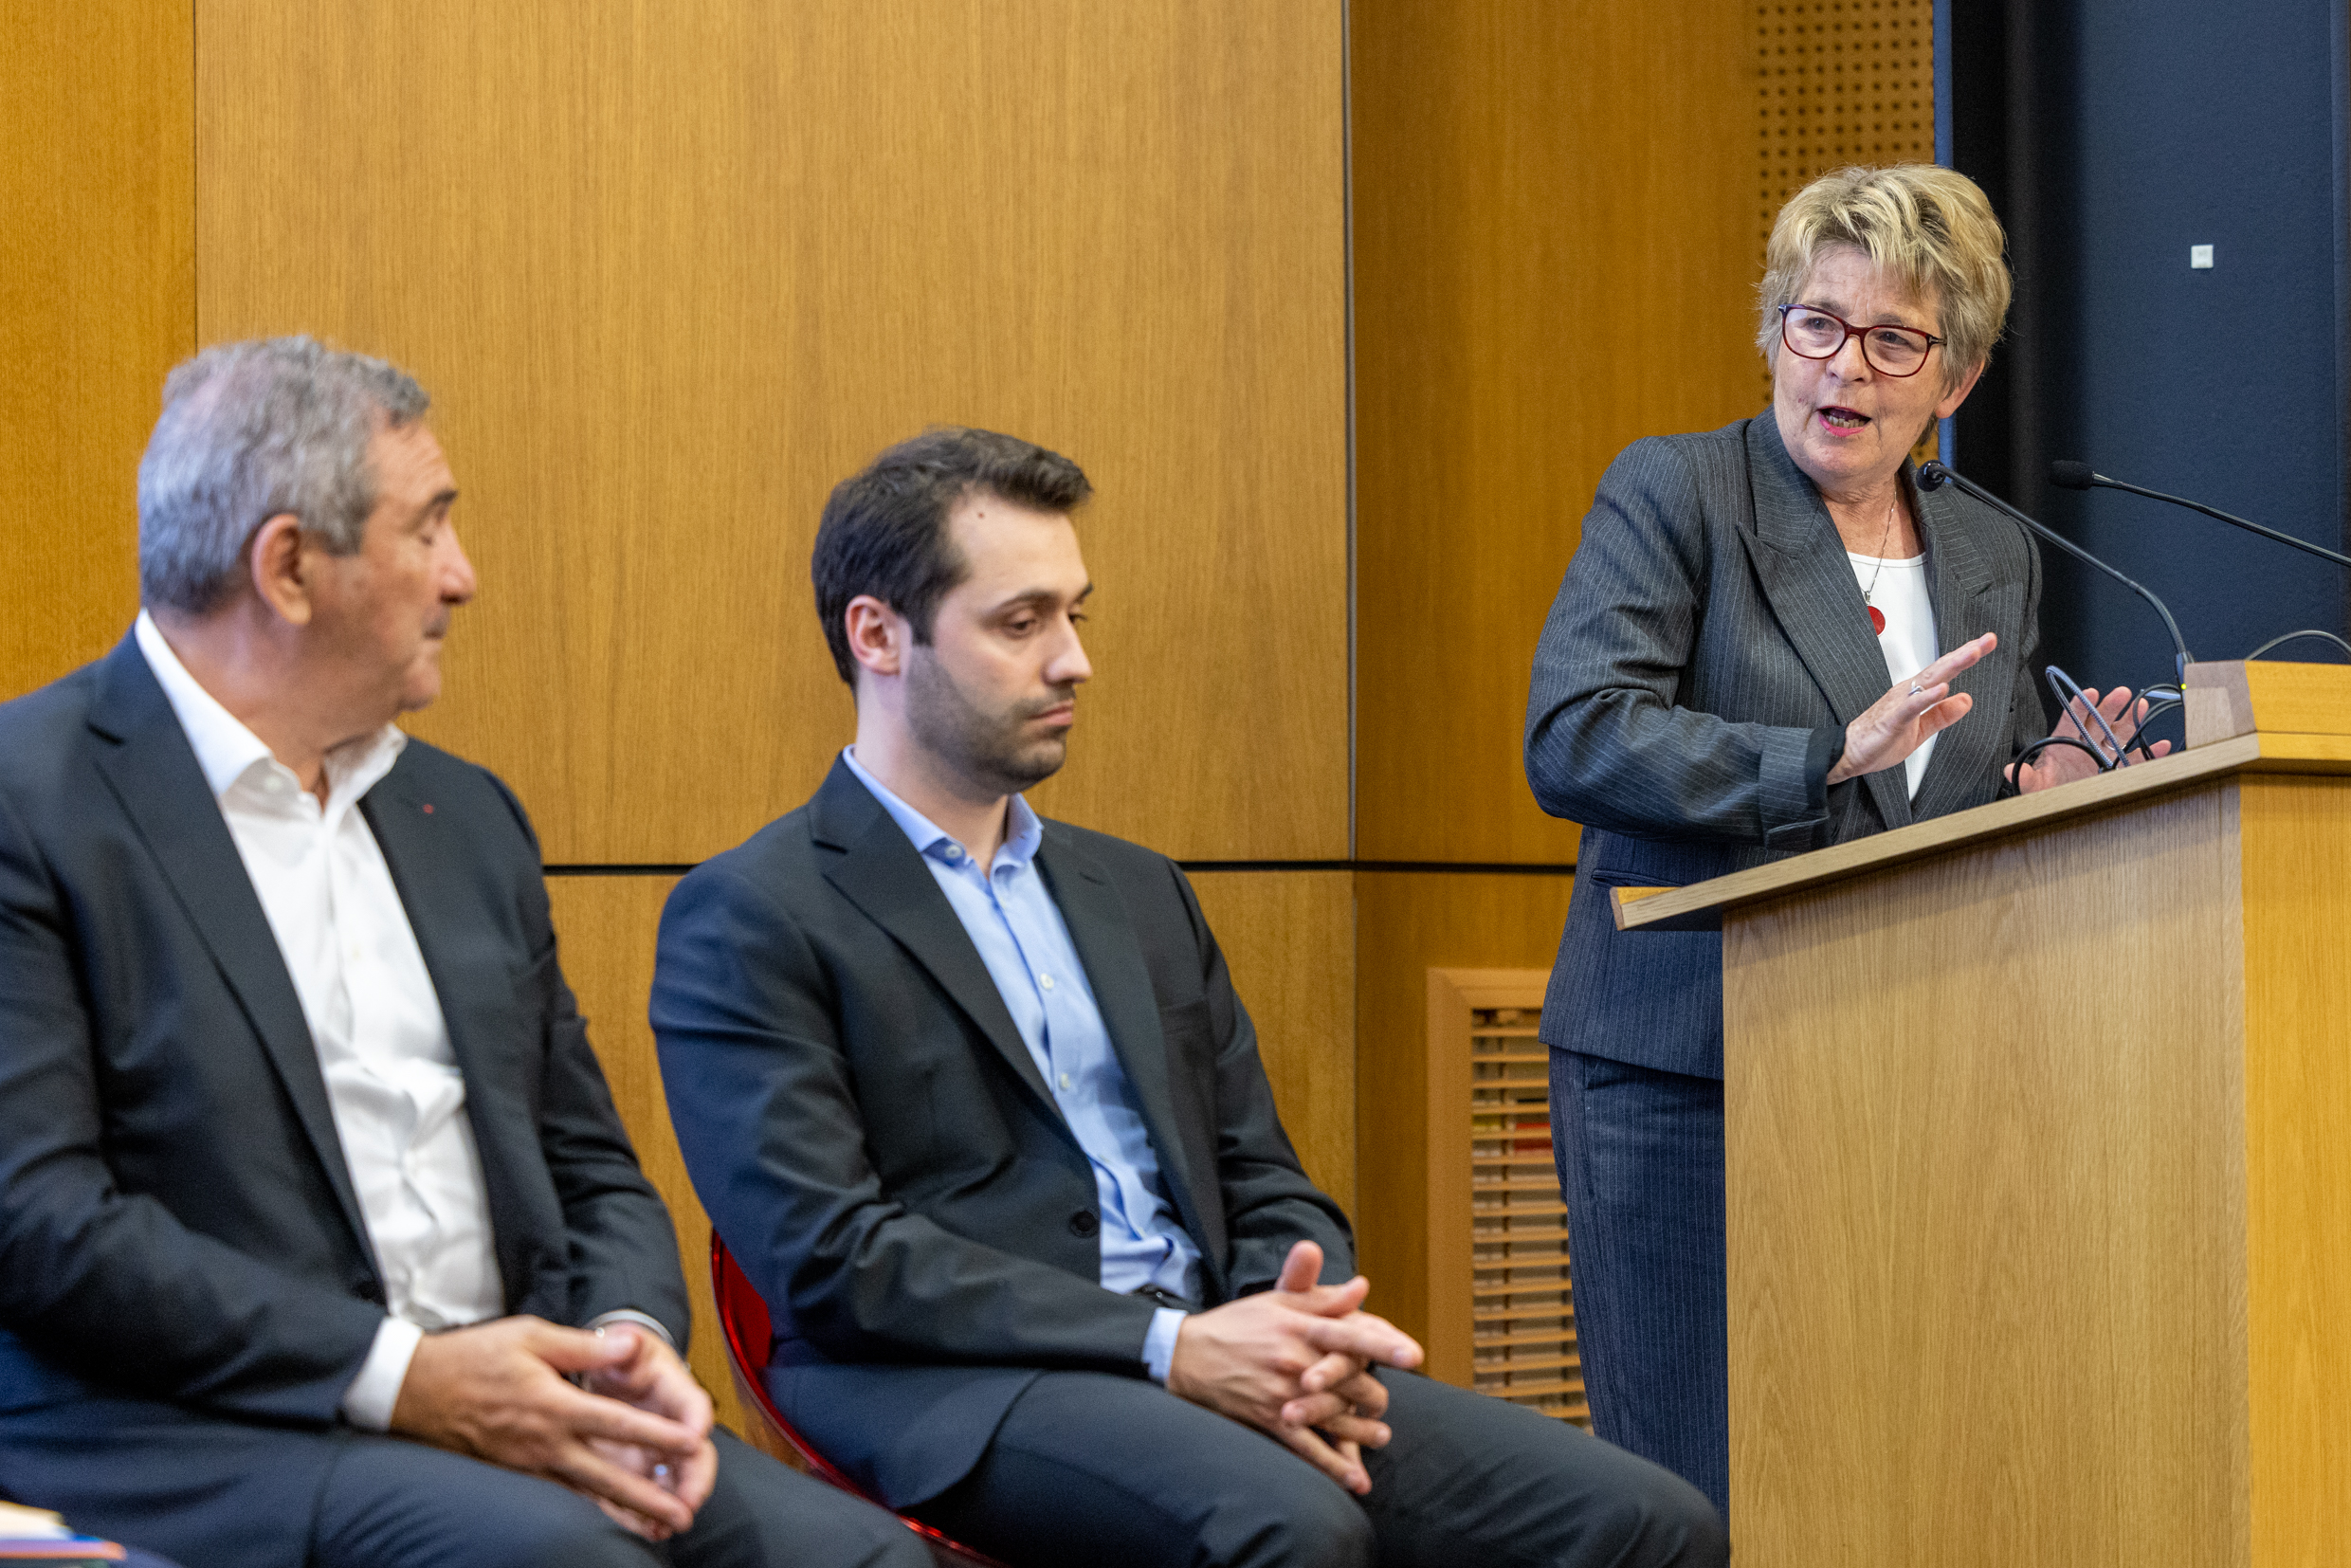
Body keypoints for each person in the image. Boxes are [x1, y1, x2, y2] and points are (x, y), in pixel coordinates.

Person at [650, 426, 1729, 1568]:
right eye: (1020, 623)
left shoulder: (1135, 888)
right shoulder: (753, 910)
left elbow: (1259, 1173)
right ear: (878, 634)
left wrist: (1285, 1326)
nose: (1072, 660)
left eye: (1075, 614)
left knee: (1649, 1523)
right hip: (956, 1387)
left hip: (1219, 1342)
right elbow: (829, 1258)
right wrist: (1170, 1346)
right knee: (1290, 1527)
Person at [0, 337, 927, 1568]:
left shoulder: (464, 817)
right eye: (428, 527)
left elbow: (589, 1159)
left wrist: (626, 1342)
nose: (464, 574)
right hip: (196, 1428)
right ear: (287, 568)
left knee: (862, 1559)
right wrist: (412, 1379)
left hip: (518, 1392)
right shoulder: (32, 800)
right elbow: (43, 1220)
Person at [1522, 164, 2169, 1516]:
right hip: (1685, 1067)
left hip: (1908, 1072)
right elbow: (1576, 733)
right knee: (1695, 1489)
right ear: (1772, 332)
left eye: (1894, 340)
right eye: (1817, 322)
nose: (1846, 367)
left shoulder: (1994, 546)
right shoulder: (1681, 494)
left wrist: (2040, 792)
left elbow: (1938, 808)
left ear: (1959, 379)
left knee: (1886, 1464)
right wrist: (1819, 755)